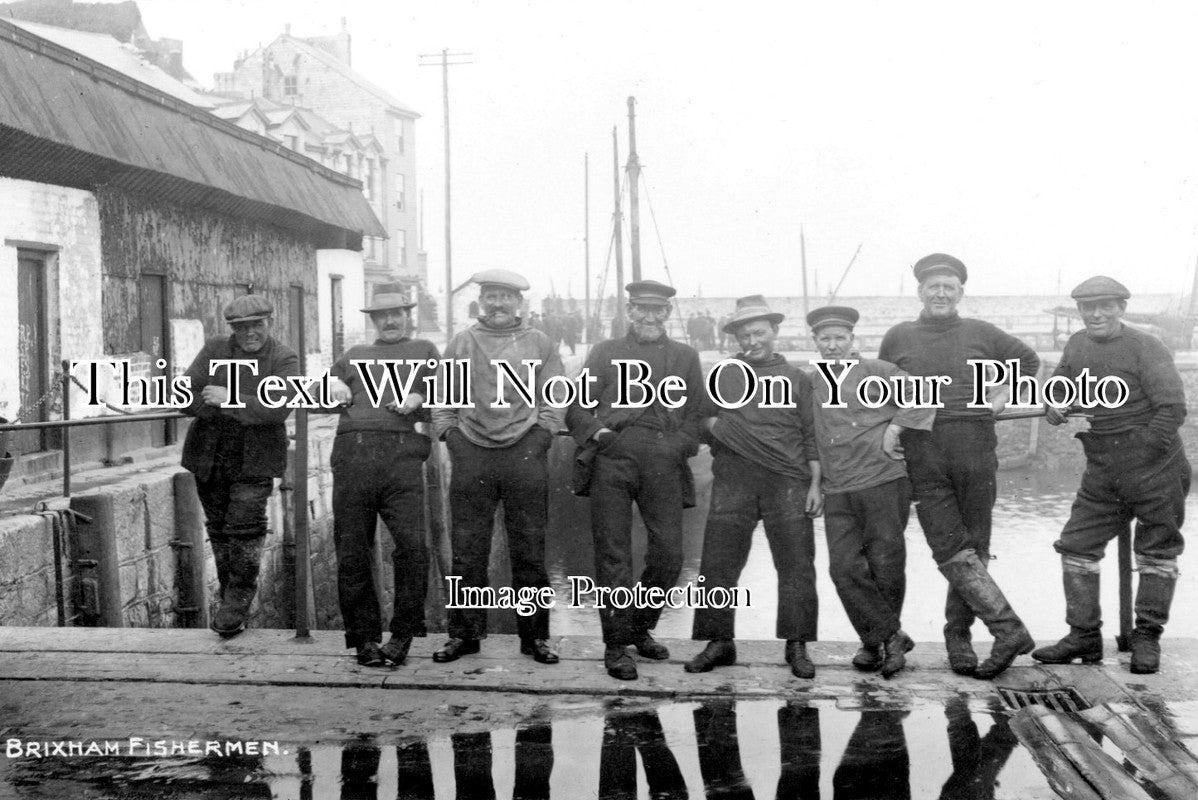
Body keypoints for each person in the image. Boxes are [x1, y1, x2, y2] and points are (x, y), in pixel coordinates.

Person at [878, 253, 1039, 679]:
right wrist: (893, 425)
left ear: (961, 293)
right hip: (923, 446)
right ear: (920, 292)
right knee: (947, 545)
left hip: (974, 443)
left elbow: (1028, 361)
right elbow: (882, 386)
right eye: (934, 286)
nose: (941, 293)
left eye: (949, 286)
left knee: (976, 541)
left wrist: (1003, 394)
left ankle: (959, 635)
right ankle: (1007, 630)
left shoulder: (981, 332)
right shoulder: (898, 336)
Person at [1032, 276, 1190, 674]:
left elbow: (1172, 409)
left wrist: (1142, 453)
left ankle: (1146, 638)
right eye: (1089, 307)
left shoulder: (1146, 347)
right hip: (1103, 468)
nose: (1097, 314)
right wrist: (1055, 401)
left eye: (1106, 306)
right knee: (1075, 546)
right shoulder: (1077, 344)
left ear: (1121, 307)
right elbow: (1063, 383)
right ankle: (1084, 635)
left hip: (1157, 469)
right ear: (1080, 311)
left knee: (1156, 553)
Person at [567, 279, 704, 680]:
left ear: (667, 313)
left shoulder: (685, 356)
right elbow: (577, 408)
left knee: (669, 553)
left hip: (663, 460)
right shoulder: (605, 353)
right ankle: (616, 645)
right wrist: (601, 434)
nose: (648, 316)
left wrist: (677, 446)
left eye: (657, 310)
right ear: (629, 312)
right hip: (612, 459)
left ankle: (639, 626)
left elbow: (697, 414)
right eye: (641, 308)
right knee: (614, 555)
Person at [683, 296, 823, 678]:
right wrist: (725, 430)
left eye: (760, 332)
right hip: (735, 478)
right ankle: (719, 641)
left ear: (775, 332)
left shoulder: (798, 379)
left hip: (788, 482)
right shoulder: (724, 374)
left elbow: (811, 435)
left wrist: (815, 485)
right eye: (745, 335)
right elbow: (699, 418)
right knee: (718, 563)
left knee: (796, 565)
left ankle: (797, 644)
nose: (753, 341)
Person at [430, 269, 565, 665]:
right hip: (473, 453)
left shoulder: (540, 343)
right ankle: (464, 635)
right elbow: (443, 399)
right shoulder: (462, 342)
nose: (498, 304)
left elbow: (555, 397)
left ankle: (535, 638)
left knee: (530, 550)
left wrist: (540, 439)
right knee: (468, 552)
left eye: (506, 297)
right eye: (491, 296)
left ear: (519, 303)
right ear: (480, 302)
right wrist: (453, 439)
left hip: (524, 453)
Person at [808, 305, 935, 678]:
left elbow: (922, 395)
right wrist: (815, 484)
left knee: (886, 563)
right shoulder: (811, 382)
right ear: (814, 342)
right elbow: (810, 437)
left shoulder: (879, 371)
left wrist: (896, 428)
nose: (832, 346)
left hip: (883, 481)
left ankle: (872, 642)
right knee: (843, 567)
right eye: (824, 339)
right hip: (838, 488)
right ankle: (890, 635)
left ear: (852, 341)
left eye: (839, 339)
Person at [326, 284, 440, 666]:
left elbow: (450, 397)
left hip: (401, 460)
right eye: (382, 316)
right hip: (352, 455)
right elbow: (317, 394)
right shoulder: (355, 354)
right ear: (373, 320)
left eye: (397, 314)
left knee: (413, 547)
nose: (390, 321)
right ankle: (363, 641)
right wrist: (334, 385)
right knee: (352, 549)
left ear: (408, 316)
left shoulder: (425, 351)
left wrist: (419, 399)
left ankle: (403, 635)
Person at [181, 294, 299, 637]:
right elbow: (185, 394)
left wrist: (225, 398)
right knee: (219, 528)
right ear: (232, 329)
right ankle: (229, 595)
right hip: (211, 455)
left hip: (256, 457)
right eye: (241, 328)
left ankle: (237, 597)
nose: (250, 334)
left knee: (245, 523)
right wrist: (239, 406)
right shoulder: (215, 348)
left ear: (269, 324)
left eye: (256, 326)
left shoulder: (283, 357)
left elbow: (277, 408)